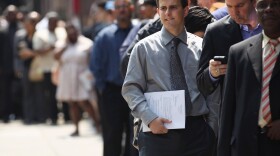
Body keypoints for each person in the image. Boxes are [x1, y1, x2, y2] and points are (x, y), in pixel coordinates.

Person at [122, 0, 216, 155]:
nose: (167, 13)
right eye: (163, 8)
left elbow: (211, 90)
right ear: (158, 11)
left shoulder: (201, 47)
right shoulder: (143, 48)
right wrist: (150, 118)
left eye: (173, 8)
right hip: (156, 131)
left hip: (197, 132)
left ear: (185, 10)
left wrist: (211, 128)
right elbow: (130, 89)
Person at [218, 0, 280, 155]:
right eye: (262, 5)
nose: (268, 10)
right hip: (245, 146)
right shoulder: (239, 52)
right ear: (255, 9)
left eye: (275, 4)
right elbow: (228, 109)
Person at [89, 0, 135, 155]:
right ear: (113, 11)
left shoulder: (138, 31)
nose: (122, 10)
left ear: (131, 9)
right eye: (118, 7)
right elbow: (95, 65)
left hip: (135, 93)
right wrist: (103, 89)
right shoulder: (104, 36)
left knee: (134, 136)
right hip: (112, 93)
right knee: (111, 136)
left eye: (125, 7)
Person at [196, 0, 262, 100]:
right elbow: (202, 84)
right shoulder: (216, 31)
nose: (234, 12)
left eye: (240, 5)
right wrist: (212, 73)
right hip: (238, 109)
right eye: (229, 6)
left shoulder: (272, 24)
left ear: (254, 2)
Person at [54, 23, 100, 136]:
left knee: (85, 102)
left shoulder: (86, 43)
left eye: (73, 31)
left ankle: (98, 125)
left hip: (82, 75)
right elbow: (55, 56)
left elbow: (93, 59)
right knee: (72, 103)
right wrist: (65, 45)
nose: (72, 34)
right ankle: (76, 128)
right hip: (68, 76)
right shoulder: (62, 43)